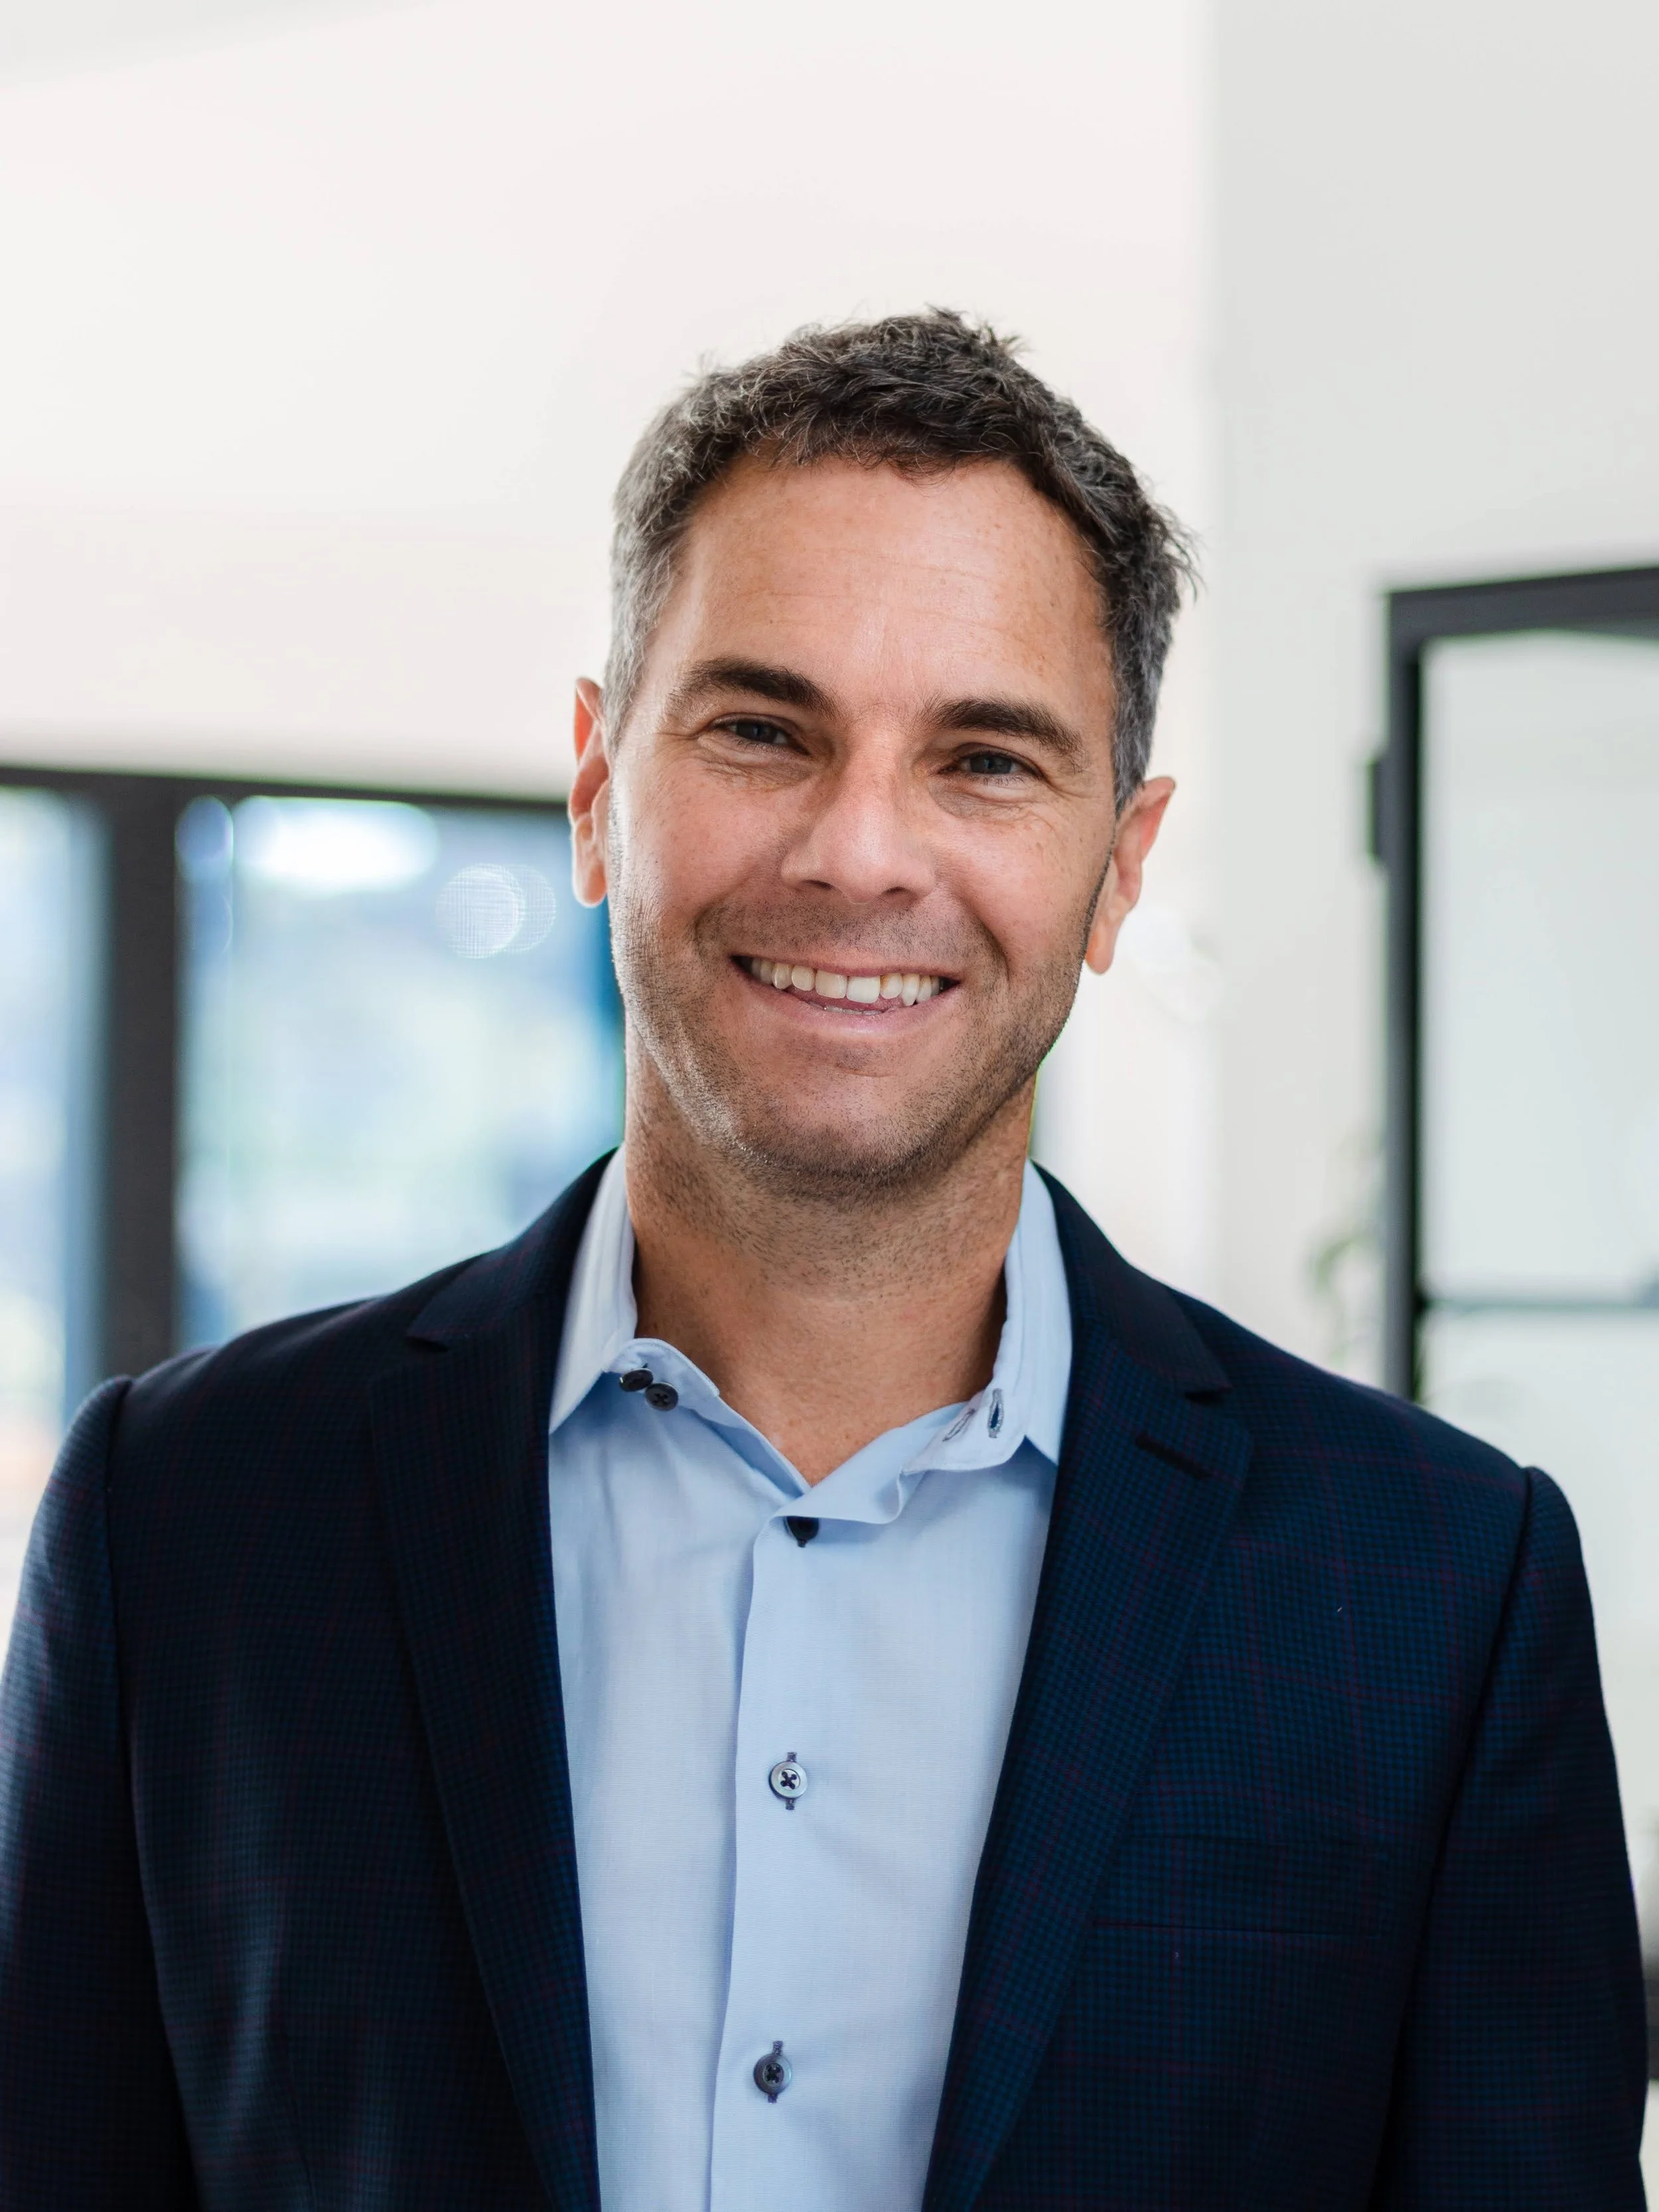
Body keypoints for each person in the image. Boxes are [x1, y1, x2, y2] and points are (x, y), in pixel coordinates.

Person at [0, 311, 1644, 2212]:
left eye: (985, 760)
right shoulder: (188, 1517)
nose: (861, 852)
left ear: (1120, 863)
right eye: (763, 729)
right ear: (598, 779)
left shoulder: (1432, 1592)